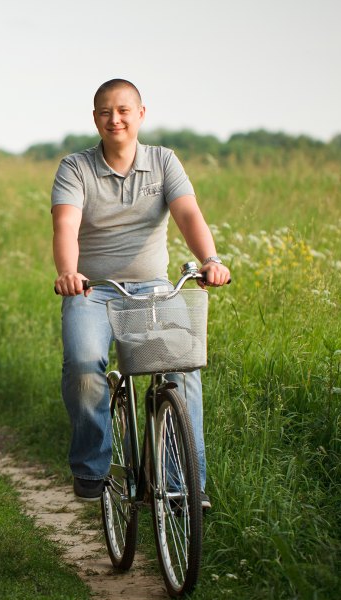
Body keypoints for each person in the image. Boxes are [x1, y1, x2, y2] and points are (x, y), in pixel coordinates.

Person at [51, 79, 231, 508]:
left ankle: (182, 486)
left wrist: (210, 259)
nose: (115, 119)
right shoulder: (75, 168)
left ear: (141, 114)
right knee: (82, 362)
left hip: (153, 289)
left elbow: (188, 214)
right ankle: (92, 466)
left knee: (183, 369)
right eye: (106, 112)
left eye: (124, 110)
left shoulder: (164, 161)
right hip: (93, 291)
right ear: (95, 118)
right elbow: (66, 225)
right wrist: (68, 273)